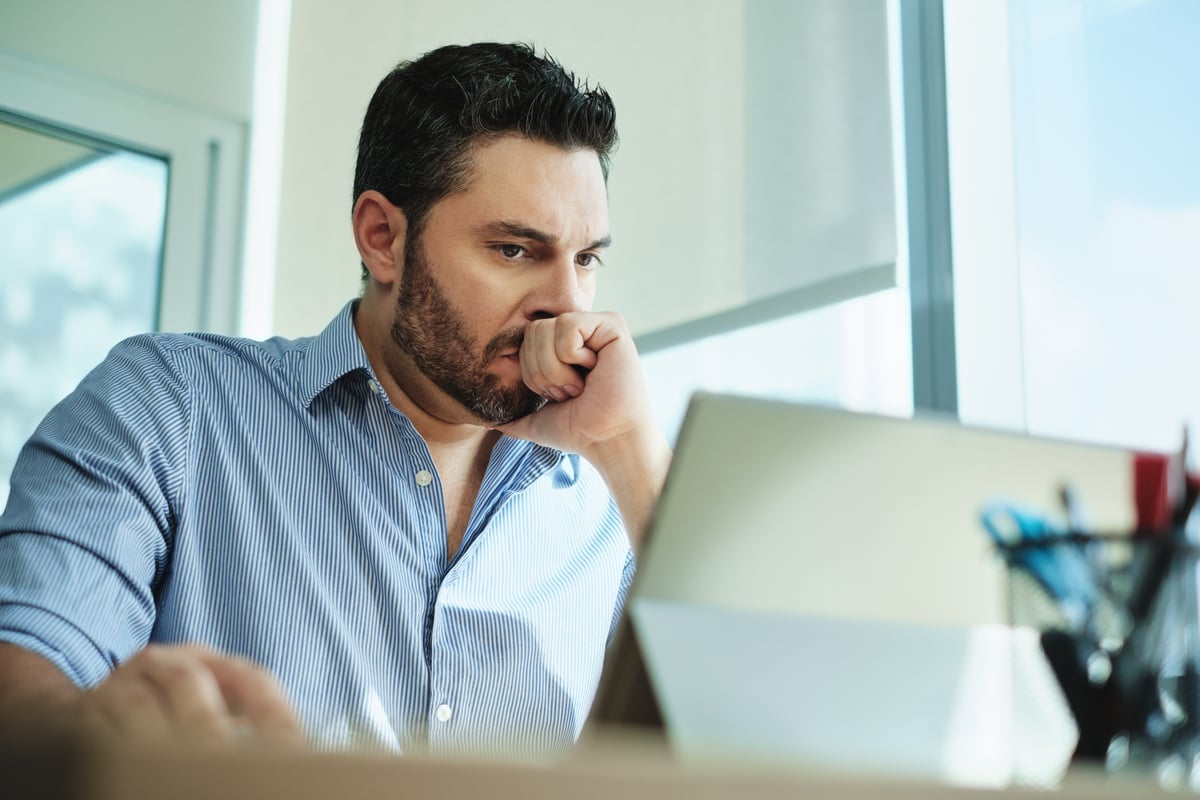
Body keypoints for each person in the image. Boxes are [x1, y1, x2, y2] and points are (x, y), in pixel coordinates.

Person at [0, 42, 671, 755]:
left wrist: (628, 455)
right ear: (382, 239)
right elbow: (24, 690)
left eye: (586, 259)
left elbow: (741, 739)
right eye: (514, 250)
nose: (567, 303)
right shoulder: (167, 406)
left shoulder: (610, 506)